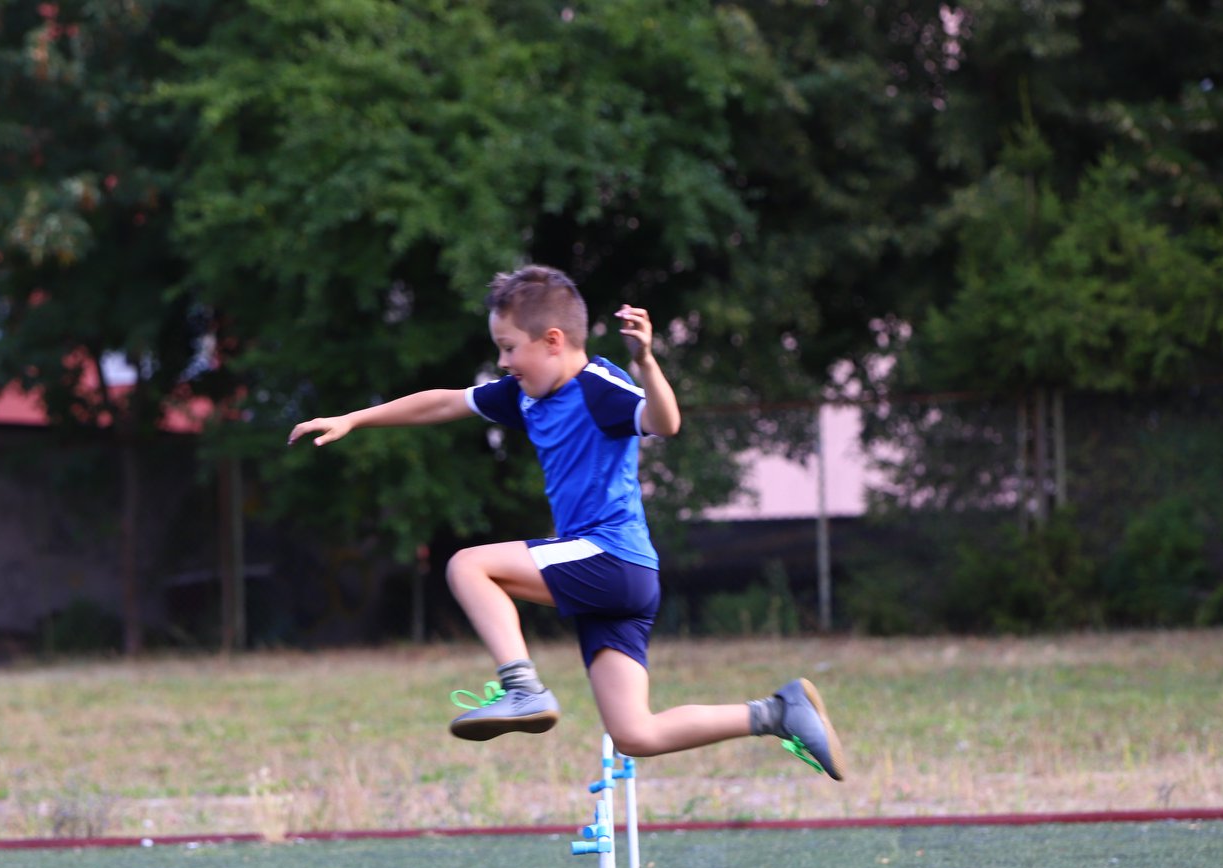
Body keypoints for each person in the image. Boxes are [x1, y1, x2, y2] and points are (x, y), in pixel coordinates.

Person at [286, 265, 846, 778]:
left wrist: (647, 361)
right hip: (621, 582)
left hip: (609, 557)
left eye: (508, 348)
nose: (503, 362)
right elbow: (443, 402)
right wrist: (353, 419)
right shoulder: (525, 396)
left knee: (467, 566)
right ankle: (777, 713)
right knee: (634, 733)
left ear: (553, 342)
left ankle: (522, 687)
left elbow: (665, 421)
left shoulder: (599, 389)